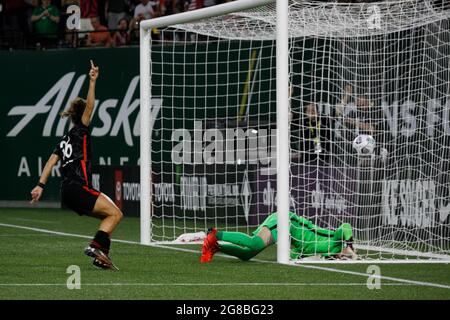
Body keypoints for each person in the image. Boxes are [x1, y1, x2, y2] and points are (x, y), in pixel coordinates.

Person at [30, 61, 123, 270]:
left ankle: (101, 256)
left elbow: (51, 161)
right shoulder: (81, 130)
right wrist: (92, 82)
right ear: (81, 116)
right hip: (78, 187)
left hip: (67, 193)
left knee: (108, 216)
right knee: (116, 214)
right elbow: (90, 106)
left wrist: (40, 185)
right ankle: (96, 247)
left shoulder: (64, 139)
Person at [200, 211, 356, 263]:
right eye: (344, 256)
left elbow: (296, 253)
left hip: (288, 231)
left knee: (248, 254)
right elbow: (345, 227)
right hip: (287, 221)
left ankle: (216, 247)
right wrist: (351, 247)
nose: (342, 257)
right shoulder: (335, 242)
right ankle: (214, 234)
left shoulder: (325, 254)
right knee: (254, 243)